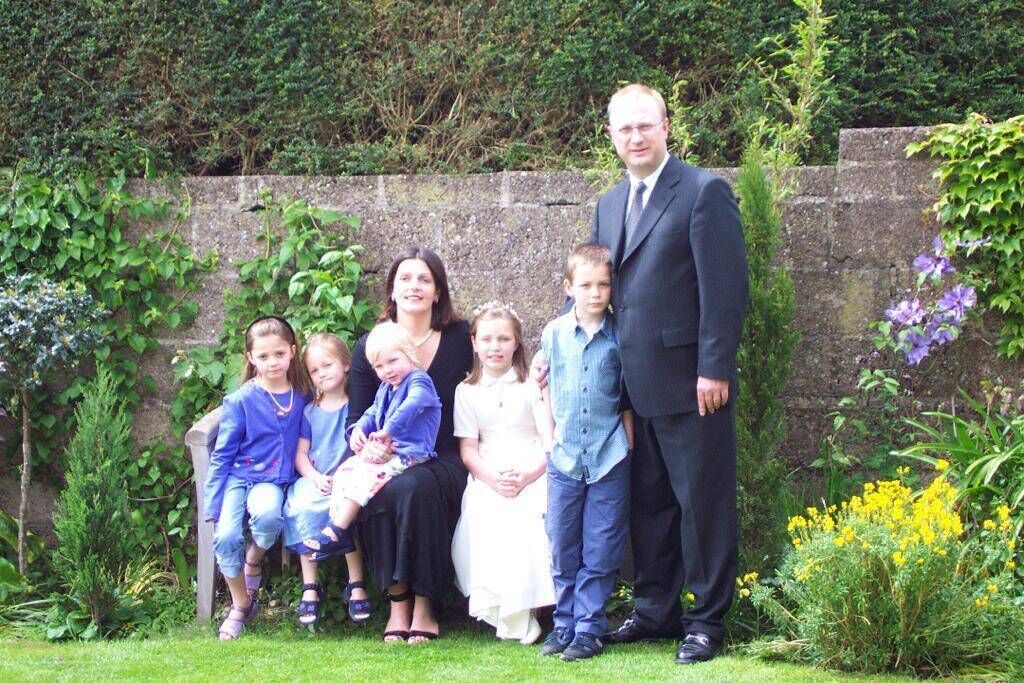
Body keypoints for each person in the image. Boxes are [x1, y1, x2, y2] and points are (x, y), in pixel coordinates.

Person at [595, 83, 749, 665]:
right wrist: (561, 345)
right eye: (624, 129)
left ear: (666, 127)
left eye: (645, 126)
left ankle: (706, 620)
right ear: (611, 136)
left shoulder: (703, 192)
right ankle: (656, 610)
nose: (635, 137)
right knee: (650, 505)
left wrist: (715, 367)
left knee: (702, 504)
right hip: (632, 388)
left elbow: (726, 290)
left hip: (692, 384)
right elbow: (595, 288)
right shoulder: (609, 204)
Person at [347, 247, 474, 644]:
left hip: (445, 455)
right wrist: (366, 444)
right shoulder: (372, 345)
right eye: (405, 278)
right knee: (391, 485)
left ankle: (423, 604)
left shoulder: (459, 338)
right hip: (390, 456)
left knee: (415, 486)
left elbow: (498, 365)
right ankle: (396, 602)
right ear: (392, 290)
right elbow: (358, 416)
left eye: (424, 279)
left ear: (438, 292)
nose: (414, 286)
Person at [535, 243, 634, 661]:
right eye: (586, 285)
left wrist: (627, 446)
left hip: (609, 456)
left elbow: (628, 398)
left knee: (601, 545)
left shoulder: (621, 335)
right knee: (562, 543)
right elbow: (540, 390)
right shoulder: (553, 334)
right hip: (565, 458)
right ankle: (563, 624)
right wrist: (548, 442)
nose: (595, 293)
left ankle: (590, 629)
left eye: (604, 285)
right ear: (568, 287)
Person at [202, 315, 314, 640]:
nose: (272, 362)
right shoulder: (240, 401)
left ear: (292, 351)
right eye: (263, 356)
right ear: (251, 358)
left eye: (279, 353)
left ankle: (254, 559)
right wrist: (213, 503)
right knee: (224, 538)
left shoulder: (303, 395)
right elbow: (222, 456)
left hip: (271, 481)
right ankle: (241, 604)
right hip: (239, 477)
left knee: (267, 518)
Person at [302, 324, 442, 579]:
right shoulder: (387, 388)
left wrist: (387, 430)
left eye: (393, 361)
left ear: (410, 355)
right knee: (346, 470)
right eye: (379, 366)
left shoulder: (419, 380)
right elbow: (372, 412)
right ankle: (342, 532)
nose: (387, 370)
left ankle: (336, 529)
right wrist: (358, 429)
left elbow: (411, 407)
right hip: (392, 450)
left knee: (367, 475)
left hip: (412, 452)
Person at [450, 301, 554, 645]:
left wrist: (526, 476)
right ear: (474, 343)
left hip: (532, 467)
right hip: (488, 470)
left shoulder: (532, 385)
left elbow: (546, 439)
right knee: (486, 512)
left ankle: (524, 611)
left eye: (504, 339)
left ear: (517, 343)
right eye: (487, 339)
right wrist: (492, 478)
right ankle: (502, 608)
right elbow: (468, 449)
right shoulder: (466, 392)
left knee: (527, 516)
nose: (495, 347)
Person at [282, 332, 371, 627]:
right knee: (303, 506)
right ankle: (310, 587)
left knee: (346, 507)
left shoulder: (357, 409)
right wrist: (316, 477)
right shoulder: (310, 412)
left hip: (347, 478)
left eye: (327, 365)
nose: (321, 374)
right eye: (315, 370)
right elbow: (301, 456)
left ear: (346, 364)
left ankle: (356, 583)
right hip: (317, 479)